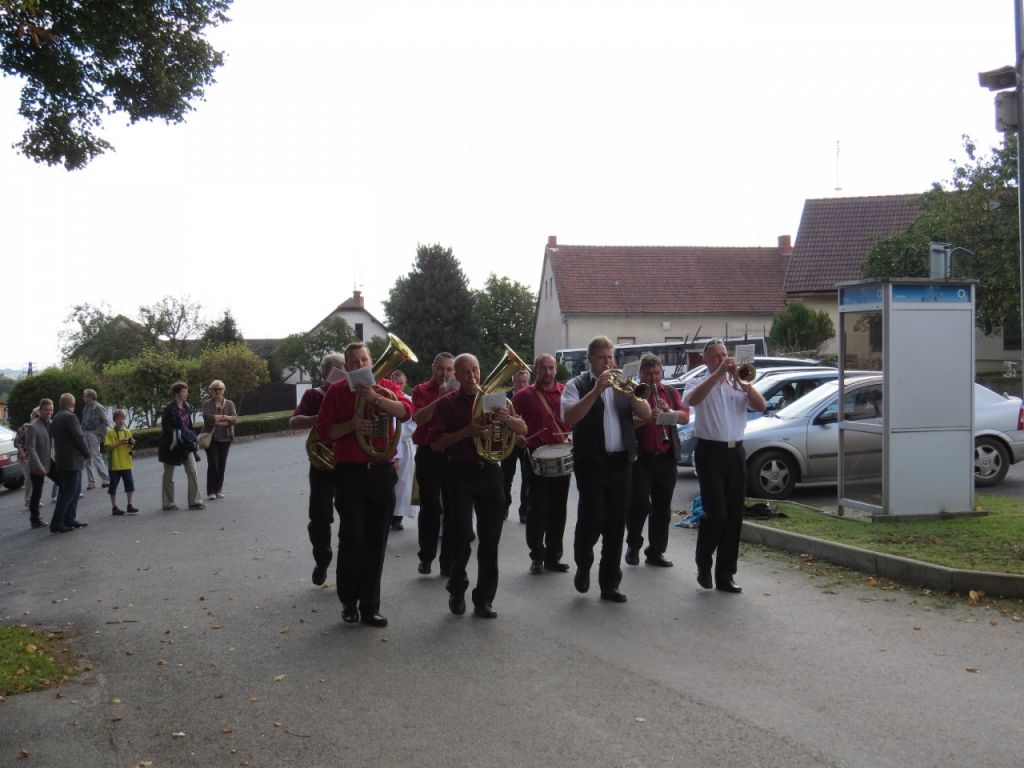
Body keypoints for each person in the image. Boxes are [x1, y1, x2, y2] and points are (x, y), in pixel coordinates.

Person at [317, 341, 413, 628]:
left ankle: (370, 606)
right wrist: (352, 425)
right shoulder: (337, 391)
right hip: (350, 474)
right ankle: (349, 602)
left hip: (381, 472)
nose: (360, 365)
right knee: (353, 538)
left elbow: (406, 411)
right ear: (346, 367)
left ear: (371, 361)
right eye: (354, 362)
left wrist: (376, 399)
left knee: (376, 541)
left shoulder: (386, 386)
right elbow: (324, 431)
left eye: (364, 360)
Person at [430, 353, 527, 619]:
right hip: (460, 472)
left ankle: (484, 598)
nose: (472, 376)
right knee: (461, 537)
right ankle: (457, 587)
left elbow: (523, 429)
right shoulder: (447, 404)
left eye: (475, 370)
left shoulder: (497, 400)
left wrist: (508, 420)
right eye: (465, 371)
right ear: (456, 375)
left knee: (490, 540)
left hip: (490, 472)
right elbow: (436, 443)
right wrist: (467, 432)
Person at [561, 336, 650, 603]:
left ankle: (610, 583)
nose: (608, 362)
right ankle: (583, 564)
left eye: (611, 357)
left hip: (621, 462)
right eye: (602, 357)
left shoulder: (624, 383)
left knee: (616, 523)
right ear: (590, 359)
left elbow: (646, 414)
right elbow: (569, 417)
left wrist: (632, 395)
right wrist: (596, 391)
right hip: (591, 463)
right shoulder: (576, 385)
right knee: (592, 518)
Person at [682, 340, 766, 594]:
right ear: (706, 359)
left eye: (725, 355)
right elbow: (692, 400)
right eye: (716, 356)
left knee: (734, 516)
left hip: (735, 453)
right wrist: (717, 374)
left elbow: (761, 406)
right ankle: (703, 560)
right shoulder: (697, 382)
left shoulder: (737, 383)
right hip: (710, 452)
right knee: (716, 513)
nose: (722, 359)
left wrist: (745, 385)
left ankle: (725, 574)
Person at [625, 354, 690, 568]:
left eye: (656, 373)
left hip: (665, 457)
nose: (653, 378)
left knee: (662, 507)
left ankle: (656, 551)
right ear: (641, 374)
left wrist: (668, 411)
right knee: (640, 504)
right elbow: (625, 423)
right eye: (649, 374)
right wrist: (646, 418)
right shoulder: (634, 392)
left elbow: (685, 417)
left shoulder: (669, 392)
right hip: (641, 458)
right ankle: (633, 545)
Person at [512, 353, 572, 575]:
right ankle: (537, 555)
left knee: (558, 509)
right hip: (535, 457)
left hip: (562, 455)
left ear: (556, 369)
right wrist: (517, 437)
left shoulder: (566, 392)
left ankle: (553, 557)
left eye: (551, 368)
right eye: (543, 368)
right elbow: (510, 422)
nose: (548, 372)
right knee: (537, 510)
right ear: (535, 370)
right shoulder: (523, 396)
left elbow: (576, 419)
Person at [289, 353, 346, 587]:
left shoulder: (352, 393)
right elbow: (294, 422)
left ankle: (346, 568)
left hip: (348, 463)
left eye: (344, 368)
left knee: (352, 518)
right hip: (322, 465)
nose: (341, 372)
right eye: (336, 369)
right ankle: (322, 561)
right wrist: (319, 418)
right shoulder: (314, 395)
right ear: (324, 372)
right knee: (320, 518)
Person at [411, 352, 457, 576]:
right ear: (433, 368)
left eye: (449, 369)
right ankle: (426, 556)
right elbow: (419, 418)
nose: (444, 373)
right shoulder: (421, 390)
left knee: (452, 509)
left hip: (453, 455)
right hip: (428, 454)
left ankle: (447, 562)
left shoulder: (460, 391)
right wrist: (441, 398)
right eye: (441, 368)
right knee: (431, 508)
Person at [158, 382, 205, 511]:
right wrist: (177, 435)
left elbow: (189, 426)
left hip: (186, 445)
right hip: (171, 446)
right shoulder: (169, 409)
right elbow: (166, 428)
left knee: (192, 471)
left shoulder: (186, 406)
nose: (187, 394)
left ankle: (194, 501)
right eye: (184, 392)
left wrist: (192, 438)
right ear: (176, 394)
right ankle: (168, 503)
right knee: (168, 475)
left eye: (186, 391)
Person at [50, 393, 91, 533]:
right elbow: (78, 437)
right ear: (72, 404)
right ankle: (58, 522)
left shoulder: (56, 417)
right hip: (72, 460)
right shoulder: (70, 416)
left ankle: (69, 519)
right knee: (68, 492)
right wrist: (86, 452)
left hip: (63, 459)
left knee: (73, 491)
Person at [501, 368, 532, 523]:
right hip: (509, 443)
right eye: (519, 382)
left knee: (527, 477)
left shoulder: (533, 396)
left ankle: (524, 510)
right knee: (506, 477)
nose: (522, 385)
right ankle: (505, 505)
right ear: (513, 383)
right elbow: (498, 422)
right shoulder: (504, 398)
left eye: (525, 382)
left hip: (527, 442)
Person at [202, 379, 238, 500]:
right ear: (211, 391)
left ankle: (219, 489)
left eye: (220, 389)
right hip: (211, 438)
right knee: (213, 463)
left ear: (224, 390)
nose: (218, 391)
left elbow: (234, 419)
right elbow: (208, 418)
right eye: (215, 389)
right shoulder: (207, 403)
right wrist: (225, 417)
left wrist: (218, 420)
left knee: (222, 464)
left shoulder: (230, 404)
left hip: (225, 438)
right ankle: (211, 491)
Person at [24, 399, 54, 529]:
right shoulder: (33, 426)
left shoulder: (51, 423)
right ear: (40, 411)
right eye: (46, 410)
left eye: (51, 410)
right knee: (37, 493)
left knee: (64, 483)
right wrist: (39, 466)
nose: (49, 412)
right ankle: (34, 519)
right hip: (37, 465)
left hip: (50, 461)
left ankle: (63, 513)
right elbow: (30, 448)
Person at [103, 409, 139, 515]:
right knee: (113, 486)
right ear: (114, 420)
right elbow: (107, 448)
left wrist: (132, 444)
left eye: (122, 419)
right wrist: (119, 443)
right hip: (114, 465)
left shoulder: (127, 432)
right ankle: (114, 507)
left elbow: (131, 446)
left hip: (126, 464)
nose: (121, 421)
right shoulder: (110, 432)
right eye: (118, 419)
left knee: (130, 485)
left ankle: (129, 505)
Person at [79, 388, 111, 490]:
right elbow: (83, 422)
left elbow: (105, 422)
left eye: (85, 396)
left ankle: (106, 479)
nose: (83, 398)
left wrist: (98, 434)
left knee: (96, 456)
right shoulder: (86, 408)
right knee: (87, 458)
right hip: (85, 434)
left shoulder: (99, 407)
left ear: (90, 397)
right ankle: (91, 482)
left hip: (93, 434)